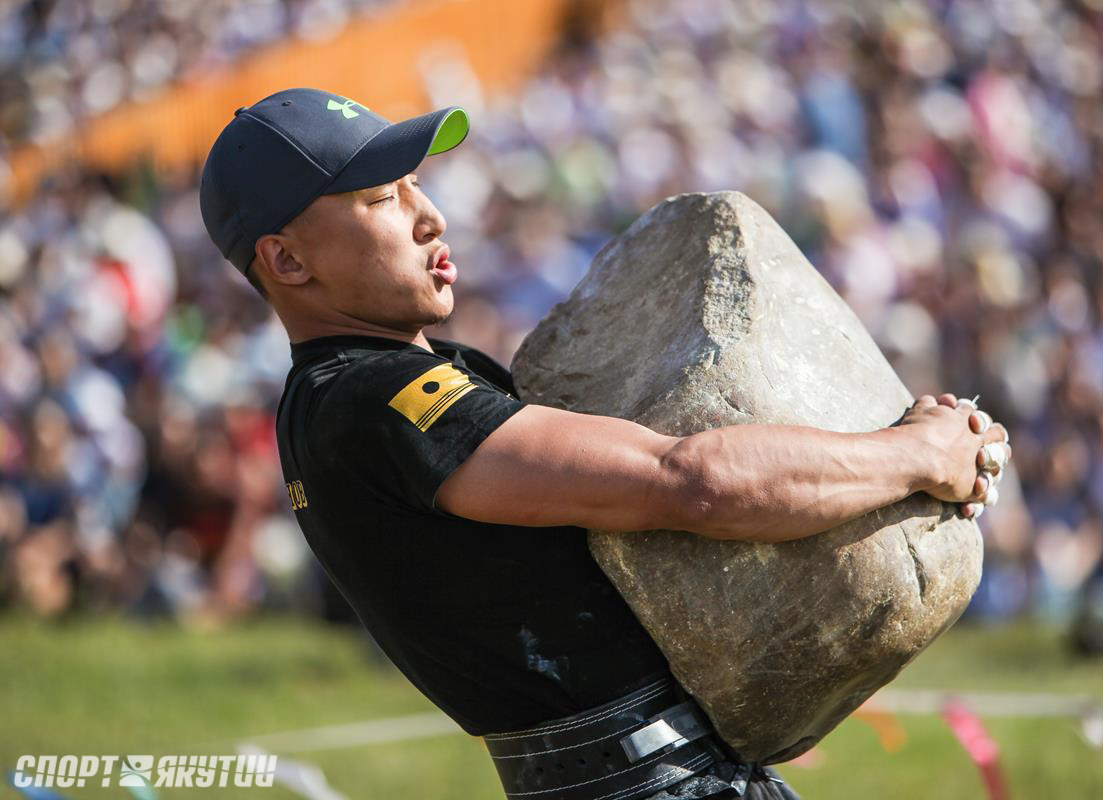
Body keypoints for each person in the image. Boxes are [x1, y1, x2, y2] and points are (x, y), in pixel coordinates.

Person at [199, 89, 1011, 800]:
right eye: (381, 198)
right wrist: (915, 456)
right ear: (286, 259)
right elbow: (688, 482)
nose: (429, 216)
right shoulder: (373, 399)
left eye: (417, 183)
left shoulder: (360, 392)